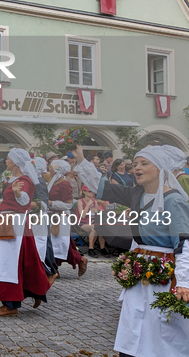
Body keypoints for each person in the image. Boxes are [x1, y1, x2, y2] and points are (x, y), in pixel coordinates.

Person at [72, 144, 189, 357]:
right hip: (139, 274)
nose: (137, 168)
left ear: (160, 168)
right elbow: (103, 186)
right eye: (135, 164)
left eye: (145, 163)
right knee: (134, 323)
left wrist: (183, 282)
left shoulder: (174, 200)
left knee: (161, 329)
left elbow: (184, 244)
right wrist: (81, 160)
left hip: (164, 276)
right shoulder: (136, 194)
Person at [0, 148, 51, 317]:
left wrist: (16, 192)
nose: (6, 161)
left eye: (8, 159)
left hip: (15, 225)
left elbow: (24, 201)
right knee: (24, 259)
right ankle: (36, 290)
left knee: (10, 262)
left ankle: (10, 304)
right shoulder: (18, 179)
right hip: (11, 223)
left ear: (16, 162)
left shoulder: (24, 180)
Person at [48, 159, 88, 276]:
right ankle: (55, 267)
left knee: (59, 243)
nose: (49, 169)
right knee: (57, 243)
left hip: (61, 217)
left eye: (51, 167)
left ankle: (76, 260)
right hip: (53, 216)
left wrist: (51, 203)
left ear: (57, 170)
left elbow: (69, 204)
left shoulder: (64, 183)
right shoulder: (53, 181)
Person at [76, 185, 108, 258]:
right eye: (89, 191)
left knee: (100, 227)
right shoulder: (80, 201)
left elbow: (96, 213)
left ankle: (102, 248)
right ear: (84, 192)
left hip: (92, 222)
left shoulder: (94, 201)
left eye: (92, 191)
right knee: (95, 228)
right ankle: (91, 248)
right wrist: (88, 204)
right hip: (82, 223)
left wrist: (95, 210)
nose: (91, 193)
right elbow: (82, 216)